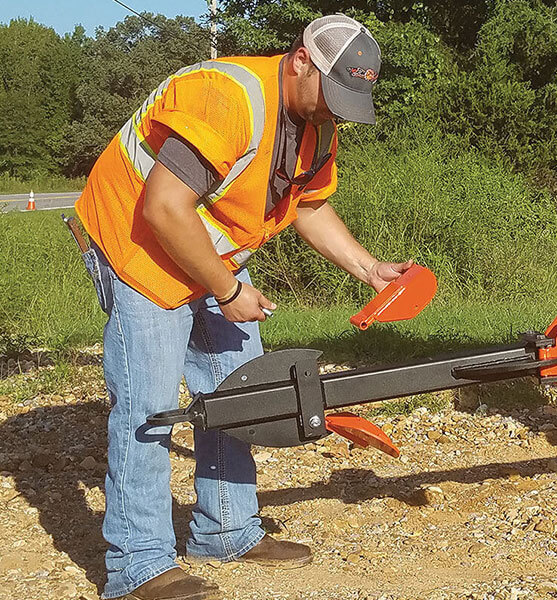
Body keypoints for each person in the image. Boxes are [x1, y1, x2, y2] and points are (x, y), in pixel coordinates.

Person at [75, 15, 412, 600]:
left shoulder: (316, 123)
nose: (334, 112)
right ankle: (138, 565)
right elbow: (162, 208)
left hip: (206, 253)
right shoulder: (227, 98)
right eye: (332, 96)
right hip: (138, 247)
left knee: (241, 394)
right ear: (301, 60)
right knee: (148, 407)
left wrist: (369, 268)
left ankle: (227, 529)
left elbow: (306, 204)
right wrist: (228, 292)